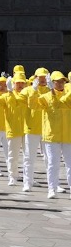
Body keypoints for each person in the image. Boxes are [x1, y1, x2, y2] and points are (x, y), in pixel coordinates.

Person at [34, 71, 71, 199]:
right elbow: (32, 105)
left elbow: (58, 104)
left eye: (62, 81)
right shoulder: (45, 96)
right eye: (58, 81)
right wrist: (34, 91)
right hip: (52, 135)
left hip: (67, 134)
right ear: (52, 82)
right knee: (53, 163)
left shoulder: (68, 94)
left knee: (70, 164)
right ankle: (52, 188)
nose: (61, 83)